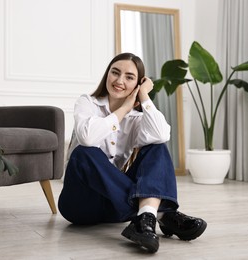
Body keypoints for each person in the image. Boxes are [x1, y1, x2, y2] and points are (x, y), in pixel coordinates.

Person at [58, 52, 207, 253]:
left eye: (129, 77)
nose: (119, 81)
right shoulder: (87, 103)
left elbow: (162, 134)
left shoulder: (136, 120)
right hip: (80, 206)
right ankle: (161, 214)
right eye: (115, 73)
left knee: (157, 146)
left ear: (137, 84)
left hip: (116, 206)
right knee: (84, 153)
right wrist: (124, 109)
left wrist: (144, 96)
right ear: (107, 75)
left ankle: (143, 219)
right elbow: (87, 138)